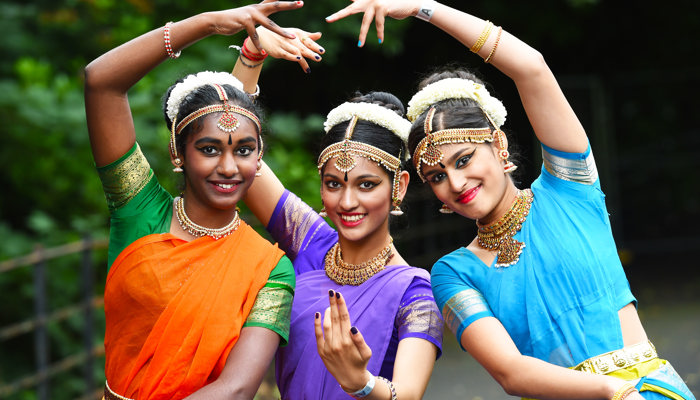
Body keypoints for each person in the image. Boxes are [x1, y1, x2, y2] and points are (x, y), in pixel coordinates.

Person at [326, 1, 696, 400]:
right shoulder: (454, 273)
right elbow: (511, 373)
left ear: (499, 145)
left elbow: (531, 68)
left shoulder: (569, 190)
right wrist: (612, 390)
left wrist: (423, 8)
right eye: (436, 176)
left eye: (464, 160)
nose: (455, 181)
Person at [83, 2, 321, 399]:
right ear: (179, 154)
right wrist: (209, 24)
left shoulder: (270, 269)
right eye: (209, 149)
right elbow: (100, 82)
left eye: (244, 150)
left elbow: (237, 388)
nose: (228, 167)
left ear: (259, 157)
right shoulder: (137, 209)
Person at [233, 31, 443, 398]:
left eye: (366, 185)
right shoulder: (309, 240)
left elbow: (406, 394)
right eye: (333, 184)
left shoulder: (415, 293)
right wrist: (252, 54)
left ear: (400, 185)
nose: (346, 202)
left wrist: (360, 382)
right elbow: (237, 150)